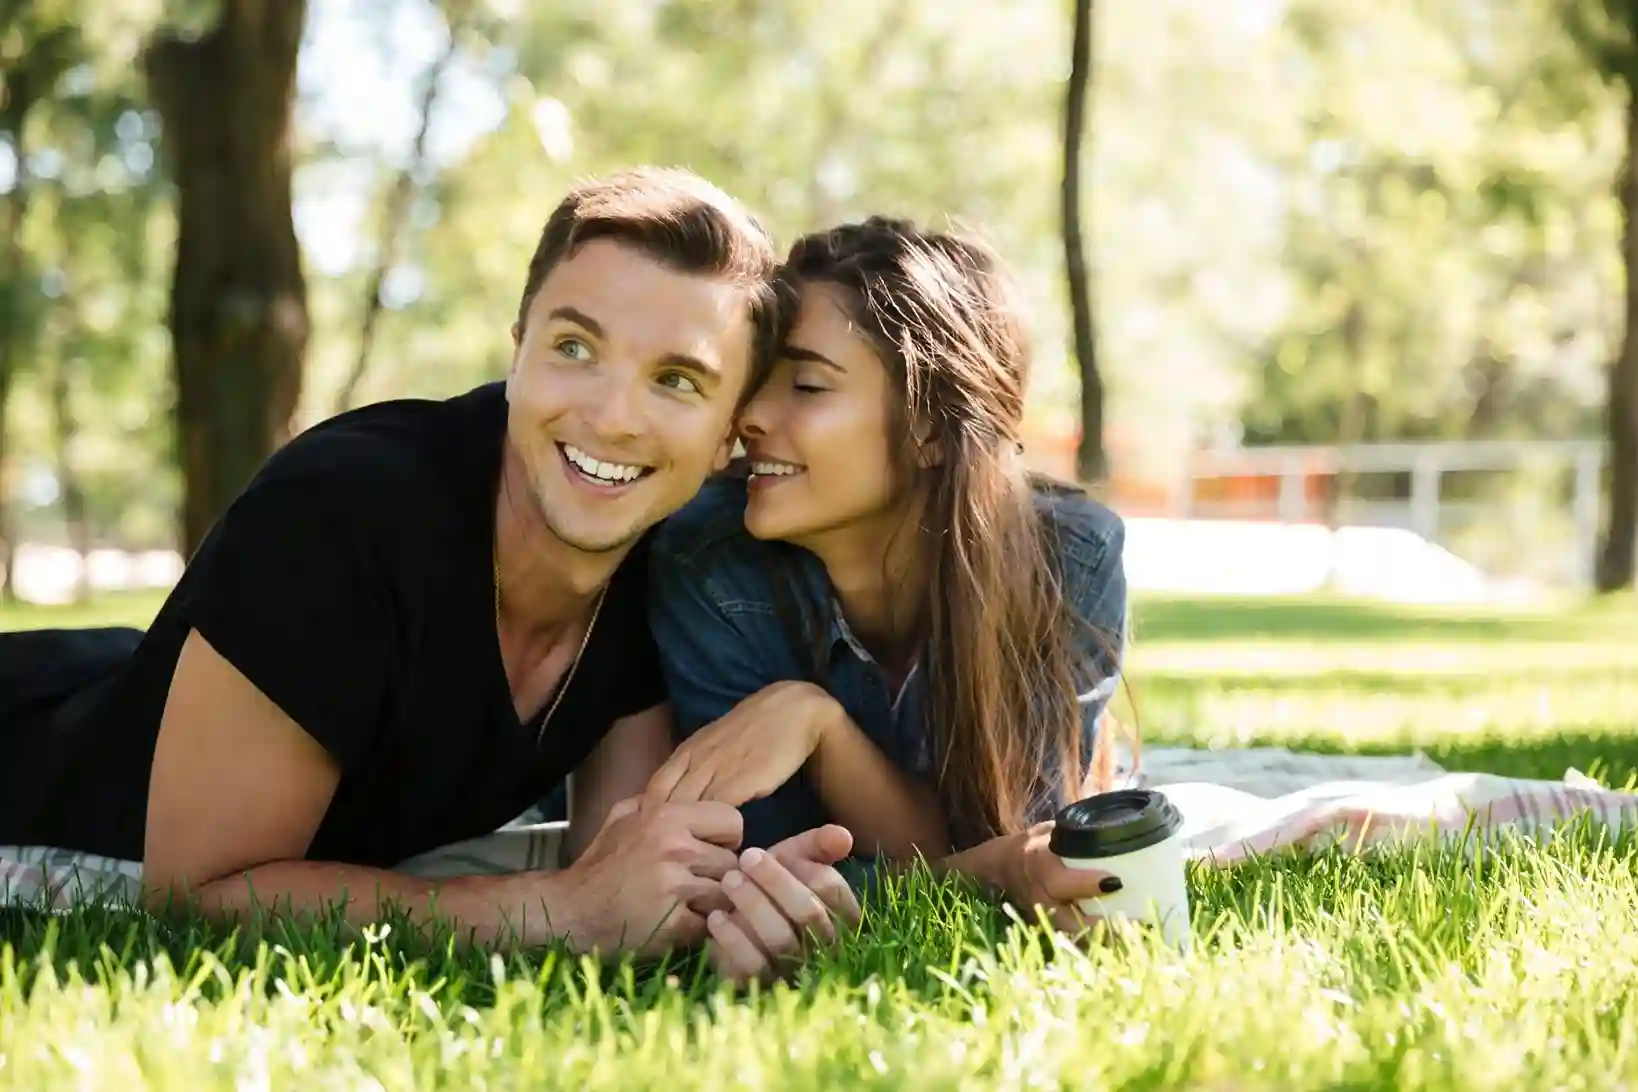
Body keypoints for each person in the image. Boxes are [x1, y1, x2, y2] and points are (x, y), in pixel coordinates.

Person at [0, 168, 860, 960]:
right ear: (518, 349)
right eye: (574, 347)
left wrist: (740, 910)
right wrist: (561, 910)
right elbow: (193, 901)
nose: (612, 416)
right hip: (44, 803)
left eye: (677, 380)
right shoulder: (342, 514)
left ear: (727, 438)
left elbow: (618, 872)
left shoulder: (662, 553)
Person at [645, 217, 1131, 980]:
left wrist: (819, 727)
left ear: (931, 426)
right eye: (760, 376)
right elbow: (760, 876)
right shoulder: (707, 562)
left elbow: (1035, 858)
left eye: (805, 384)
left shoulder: (1067, 559)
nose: (750, 417)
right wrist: (986, 872)